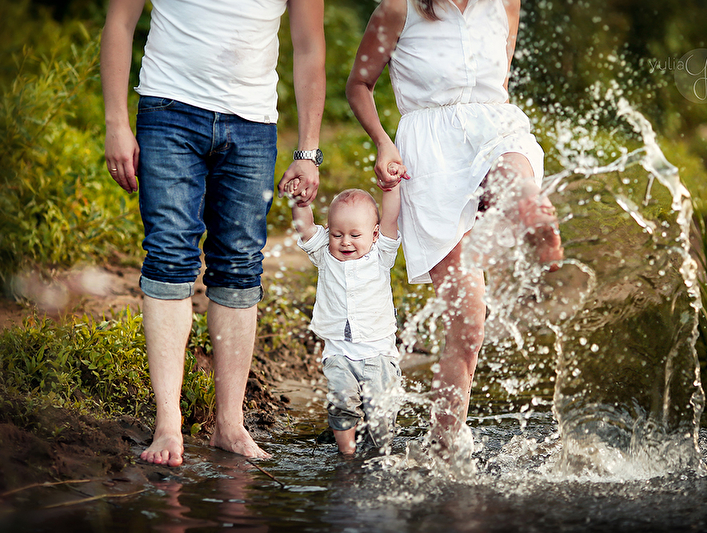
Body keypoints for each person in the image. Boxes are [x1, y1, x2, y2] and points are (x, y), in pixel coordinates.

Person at [100, 0, 325, 467]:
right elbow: (120, 21)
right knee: (168, 254)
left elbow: (309, 47)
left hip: (253, 123)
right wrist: (116, 122)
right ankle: (168, 423)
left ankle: (230, 424)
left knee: (240, 264)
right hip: (168, 109)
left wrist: (309, 151)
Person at [346, 0, 563, 453]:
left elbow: (497, 89)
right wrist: (384, 143)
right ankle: (444, 449)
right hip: (431, 159)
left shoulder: (505, 3)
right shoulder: (398, 9)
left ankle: (531, 214)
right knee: (468, 325)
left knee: (519, 185)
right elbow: (359, 84)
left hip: (495, 132)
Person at [290, 178, 405, 455]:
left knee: (381, 415)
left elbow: (391, 217)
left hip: (379, 354)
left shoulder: (381, 254)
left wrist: (391, 187)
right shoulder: (324, 255)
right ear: (328, 232)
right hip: (339, 353)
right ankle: (347, 455)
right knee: (341, 404)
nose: (345, 242)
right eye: (337, 234)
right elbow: (305, 228)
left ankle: (380, 456)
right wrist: (300, 201)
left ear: (374, 234)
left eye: (355, 235)